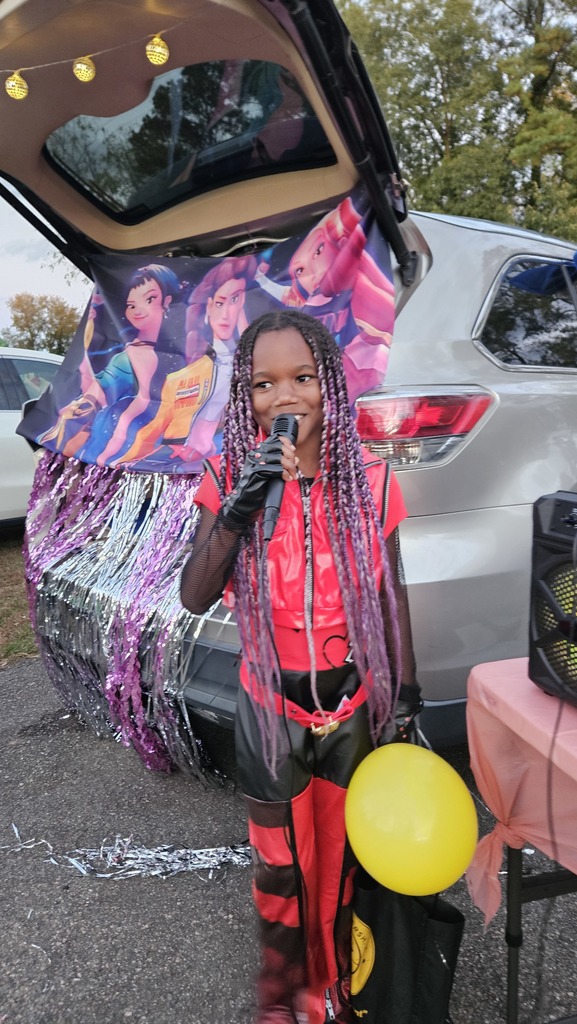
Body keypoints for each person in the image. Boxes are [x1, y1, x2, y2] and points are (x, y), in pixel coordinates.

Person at [180, 310, 421, 1024]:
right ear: (245, 397)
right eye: (263, 384)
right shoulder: (228, 475)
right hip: (269, 710)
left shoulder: (370, 481)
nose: (284, 397)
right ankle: (286, 1002)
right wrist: (240, 508)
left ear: (331, 386)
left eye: (302, 378)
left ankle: (337, 990)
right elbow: (194, 594)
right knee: (282, 872)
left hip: (351, 708)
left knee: (342, 862)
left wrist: (406, 698)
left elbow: (393, 597)